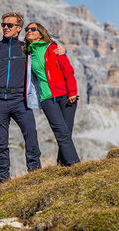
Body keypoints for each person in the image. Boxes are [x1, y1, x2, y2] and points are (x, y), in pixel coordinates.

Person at [0, 12, 65, 188]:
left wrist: (63, 50)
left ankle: (35, 178)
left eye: (10, 25)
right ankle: (3, 183)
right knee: (1, 144)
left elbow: (46, 52)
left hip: (21, 101)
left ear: (18, 29)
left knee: (31, 136)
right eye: (3, 25)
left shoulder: (27, 48)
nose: (6, 28)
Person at [24, 22, 80, 166]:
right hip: (47, 99)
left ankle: (62, 164)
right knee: (61, 132)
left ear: (41, 33)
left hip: (66, 95)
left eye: (32, 29)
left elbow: (68, 70)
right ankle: (75, 165)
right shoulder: (28, 53)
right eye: (27, 29)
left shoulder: (53, 48)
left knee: (66, 132)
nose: (28, 31)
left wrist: (72, 91)